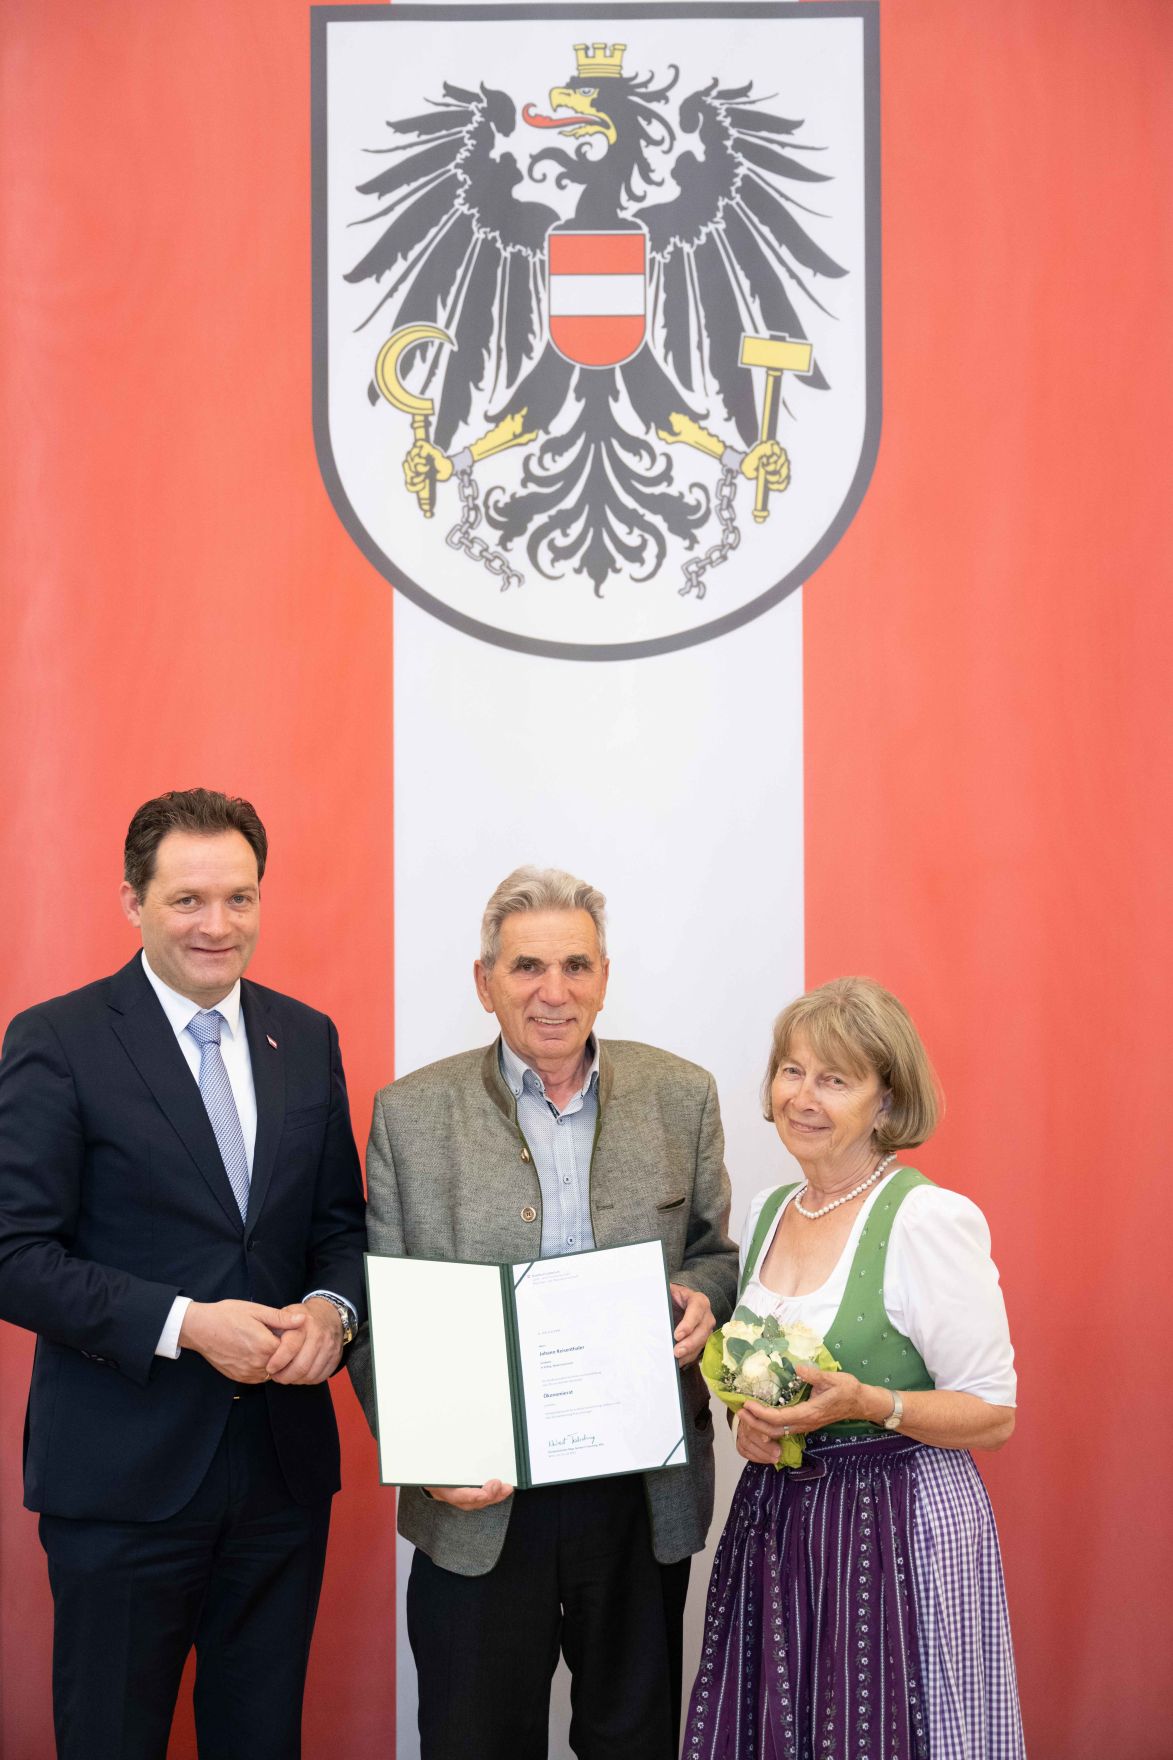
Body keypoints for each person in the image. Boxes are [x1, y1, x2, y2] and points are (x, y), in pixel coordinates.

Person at [0, 789, 367, 1760]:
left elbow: (338, 1227)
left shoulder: (307, 1036)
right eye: (188, 899)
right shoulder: (58, 1039)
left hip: (280, 1480)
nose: (218, 924)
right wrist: (184, 1321)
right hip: (122, 1480)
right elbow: (14, 1253)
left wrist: (334, 1312)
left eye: (240, 898)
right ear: (132, 900)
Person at [348, 865, 738, 1760]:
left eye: (574, 965)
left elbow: (717, 1255)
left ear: (605, 976)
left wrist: (702, 1300)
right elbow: (384, 1311)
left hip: (638, 1490)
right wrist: (424, 1449)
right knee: (473, 1738)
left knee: (631, 1738)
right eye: (526, 967)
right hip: (479, 1496)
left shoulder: (682, 1096)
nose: (552, 992)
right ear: (484, 983)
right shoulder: (409, 1115)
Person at [683, 977, 1026, 1760]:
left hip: (896, 1525)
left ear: (884, 1100)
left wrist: (869, 1402)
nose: (803, 1096)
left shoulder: (924, 1219)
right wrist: (751, 1429)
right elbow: (771, 1382)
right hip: (781, 1525)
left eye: (834, 1079)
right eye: (791, 1071)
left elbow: (994, 1413)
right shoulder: (772, 1208)